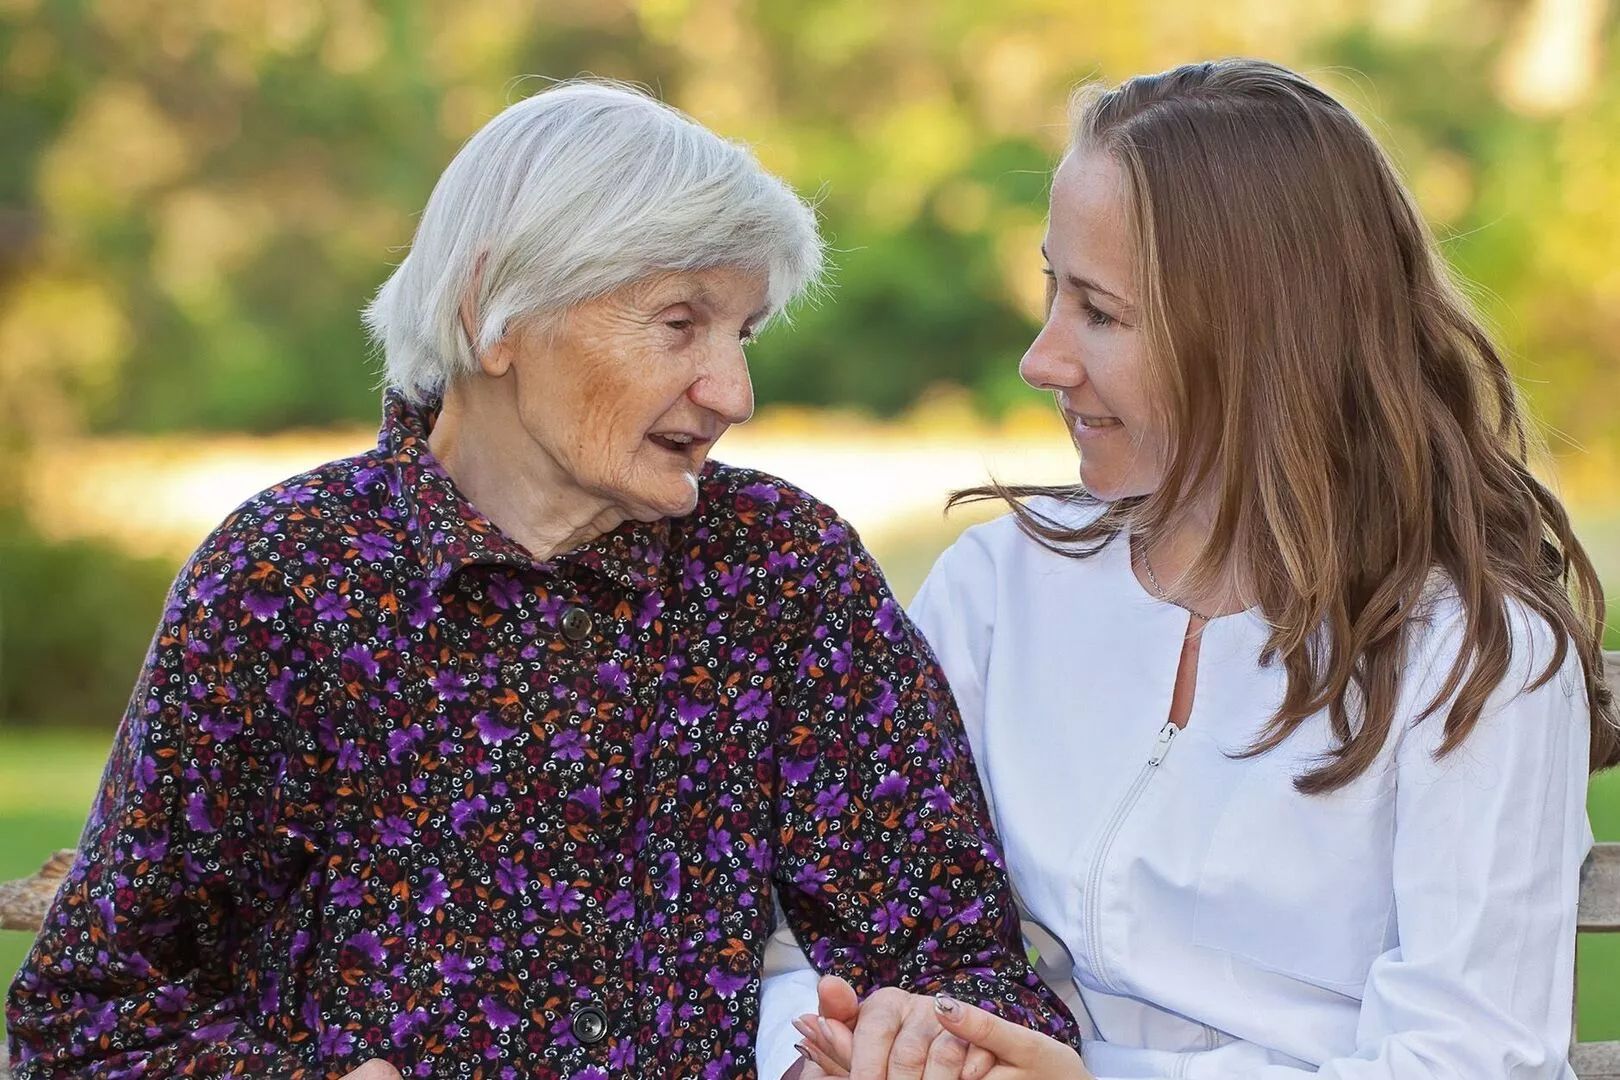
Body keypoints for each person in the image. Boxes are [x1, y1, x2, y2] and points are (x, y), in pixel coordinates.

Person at [4, 80, 1077, 1079]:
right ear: (494, 314)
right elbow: (85, 1014)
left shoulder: (778, 574)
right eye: (679, 324)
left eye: (742, 333)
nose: (735, 390)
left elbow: (965, 965)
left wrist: (915, 1039)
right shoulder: (286, 578)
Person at [768, 58, 1618, 1080]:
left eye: (1102, 313)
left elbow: (1476, 1060)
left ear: (1264, 342)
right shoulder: (1002, 589)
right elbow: (820, 931)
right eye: (1053, 289)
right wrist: (853, 1041)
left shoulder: (1472, 657)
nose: (1043, 358)